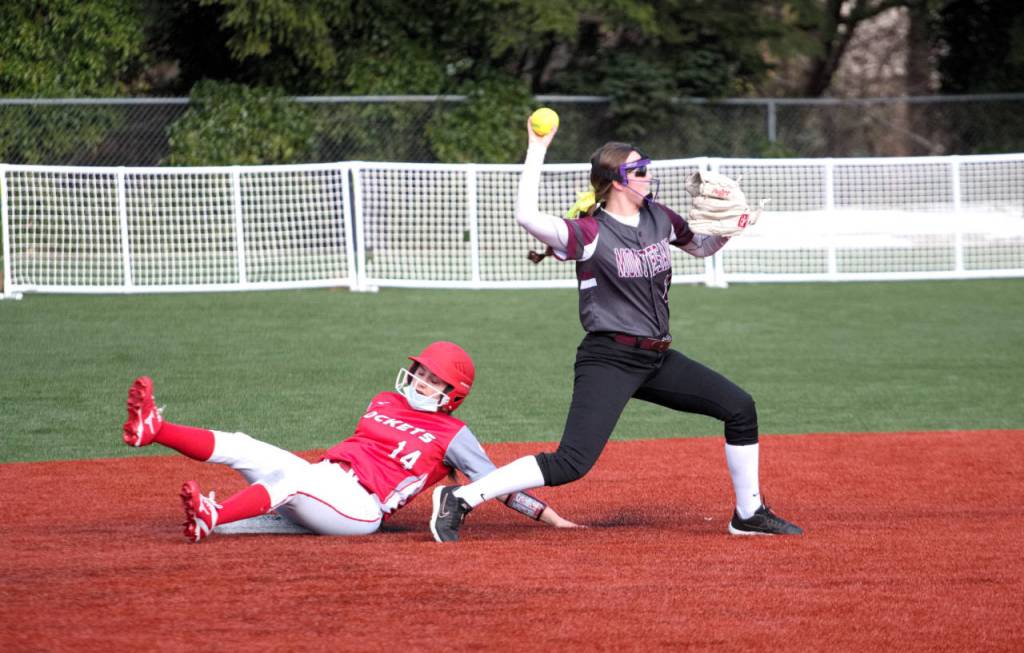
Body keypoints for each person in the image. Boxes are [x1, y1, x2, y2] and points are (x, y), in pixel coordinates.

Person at [428, 119, 802, 542]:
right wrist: (537, 147)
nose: (649, 175)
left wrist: (730, 229)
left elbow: (700, 247)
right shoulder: (589, 233)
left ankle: (748, 513)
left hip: (656, 357)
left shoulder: (659, 217)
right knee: (571, 463)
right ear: (617, 182)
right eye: (640, 170)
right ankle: (461, 499)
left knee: (740, 407)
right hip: (609, 358)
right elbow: (525, 216)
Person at [122, 341, 578, 542]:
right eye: (420, 371)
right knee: (246, 445)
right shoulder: (384, 399)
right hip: (325, 483)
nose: (420, 380)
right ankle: (155, 430)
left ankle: (213, 517)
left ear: (451, 394)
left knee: (292, 481)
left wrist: (551, 518)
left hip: (360, 510)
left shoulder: (454, 434)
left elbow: (498, 485)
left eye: (432, 378)